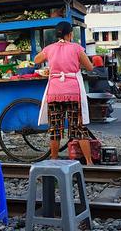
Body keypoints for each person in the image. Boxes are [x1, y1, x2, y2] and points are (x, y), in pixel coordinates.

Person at [34, 21, 94, 165]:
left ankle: (54, 160)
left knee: (55, 128)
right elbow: (90, 67)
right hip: (73, 92)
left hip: (54, 92)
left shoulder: (49, 48)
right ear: (70, 34)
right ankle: (89, 161)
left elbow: (36, 60)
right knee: (79, 127)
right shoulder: (76, 48)